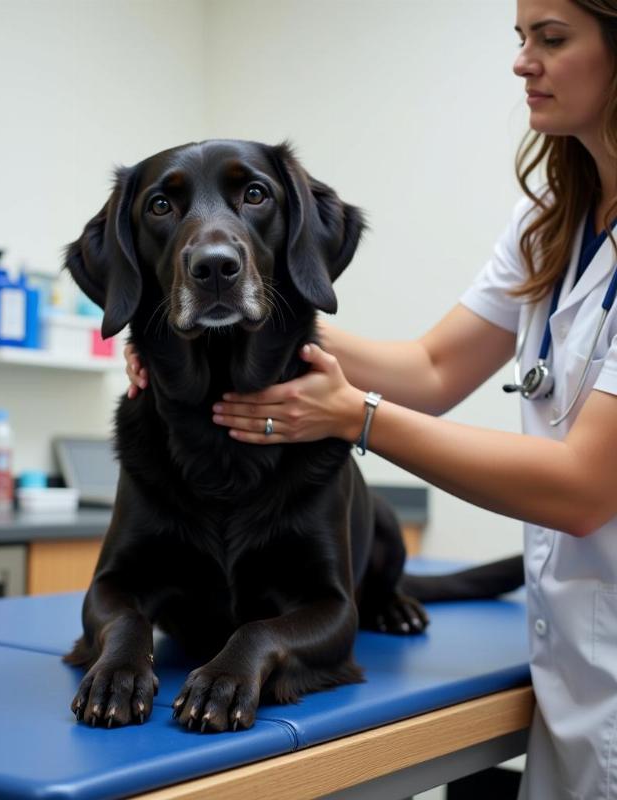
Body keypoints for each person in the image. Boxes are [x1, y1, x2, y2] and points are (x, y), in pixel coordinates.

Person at [123, 1, 617, 796]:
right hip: (575, 660)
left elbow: (587, 488)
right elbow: (428, 365)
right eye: (520, 38)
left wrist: (354, 417)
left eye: (552, 39)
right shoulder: (550, 224)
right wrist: (196, 330)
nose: (524, 61)